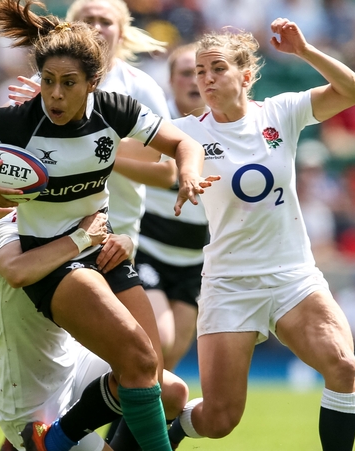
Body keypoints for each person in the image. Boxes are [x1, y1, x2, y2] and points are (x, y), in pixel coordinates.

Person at [0, 1, 214, 450]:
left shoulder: (115, 109)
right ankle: (54, 438)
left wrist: (189, 172)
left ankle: (53, 440)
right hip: (52, 259)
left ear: (93, 84)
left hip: (102, 249)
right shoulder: (20, 119)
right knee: (137, 360)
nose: (55, 95)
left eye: (68, 84)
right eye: (48, 82)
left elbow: (183, 143)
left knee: (153, 377)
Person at [165, 20, 355, 451]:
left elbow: (354, 92)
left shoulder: (281, 112)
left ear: (246, 75)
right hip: (230, 283)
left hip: (293, 275)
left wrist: (306, 50)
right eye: (200, 71)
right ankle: (164, 427)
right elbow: (120, 146)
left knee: (342, 366)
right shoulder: (187, 132)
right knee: (219, 420)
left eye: (217, 68)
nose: (206, 79)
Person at [0, 210, 188, 451]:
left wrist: (123, 244)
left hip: (74, 364)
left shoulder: (72, 220)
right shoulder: (10, 229)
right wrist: (82, 238)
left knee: (173, 392)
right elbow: (17, 272)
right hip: (32, 399)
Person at [8, 0, 177, 252]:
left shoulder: (141, 86)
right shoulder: (43, 85)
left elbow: (167, 173)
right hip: (48, 225)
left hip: (116, 228)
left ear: (121, 33)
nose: (97, 27)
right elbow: (16, 152)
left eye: (106, 22)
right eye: (88, 21)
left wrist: (94, 147)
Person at [135, 43, 208, 372]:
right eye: (187, 73)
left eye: (203, 72)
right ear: (170, 80)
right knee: (158, 343)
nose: (195, 81)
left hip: (193, 261)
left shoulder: (228, 129)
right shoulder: (152, 125)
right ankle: (79, 419)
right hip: (147, 251)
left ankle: (119, 426)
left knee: (169, 363)